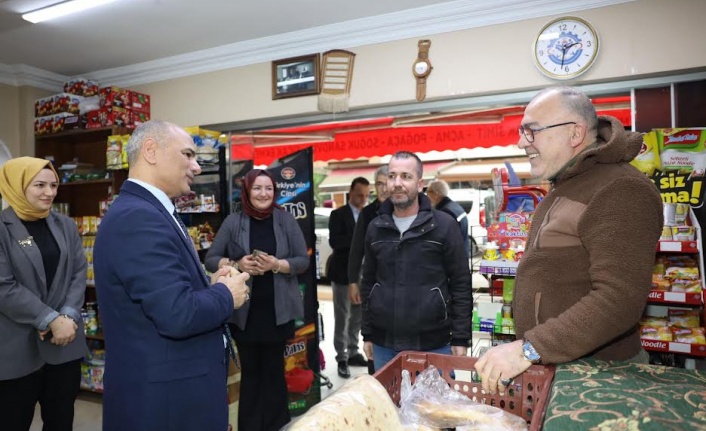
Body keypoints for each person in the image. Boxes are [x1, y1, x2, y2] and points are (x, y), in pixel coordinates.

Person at [475, 86, 663, 396]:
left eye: (531, 131)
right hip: (564, 370)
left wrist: (528, 350)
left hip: (599, 380)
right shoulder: (568, 183)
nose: (522, 142)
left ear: (575, 133)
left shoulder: (621, 189)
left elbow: (619, 299)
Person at [94, 120, 251, 431]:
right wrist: (226, 294)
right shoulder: (138, 218)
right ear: (151, 151)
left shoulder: (149, 211)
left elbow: (164, 292)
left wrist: (210, 285)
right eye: (188, 154)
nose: (195, 166)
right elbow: (177, 313)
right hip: (165, 404)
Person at [205, 168, 309, 431]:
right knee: (250, 376)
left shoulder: (285, 221)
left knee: (274, 374)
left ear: (274, 192)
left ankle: (277, 426)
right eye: (257, 188)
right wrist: (236, 262)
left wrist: (277, 264)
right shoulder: (233, 222)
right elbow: (211, 258)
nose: (263, 193)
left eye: (269, 188)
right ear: (247, 192)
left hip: (278, 313)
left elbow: (302, 260)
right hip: (245, 314)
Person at [360, 151, 472, 371]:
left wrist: (460, 338)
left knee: (433, 407)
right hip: (384, 344)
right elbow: (368, 283)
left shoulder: (444, 226)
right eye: (392, 176)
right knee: (389, 406)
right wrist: (368, 333)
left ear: (420, 184)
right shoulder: (375, 227)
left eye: (406, 176)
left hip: (434, 345)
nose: (397, 183)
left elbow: (460, 283)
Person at [0, 157, 87, 431]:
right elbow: (4, 285)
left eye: (53, 185)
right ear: (16, 186)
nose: (49, 192)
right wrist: (49, 319)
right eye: (39, 185)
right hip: (15, 350)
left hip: (64, 344)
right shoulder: (3, 229)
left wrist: (68, 316)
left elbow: (78, 272)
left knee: (61, 422)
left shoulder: (66, 225)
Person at [328, 177, 370, 378]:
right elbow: (335, 241)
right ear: (350, 192)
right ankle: (341, 357)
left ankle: (353, 351)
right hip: (343, 274)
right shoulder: (338, 214)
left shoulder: (370, 214)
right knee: (342, 316)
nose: (363, 199)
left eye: (366, 195)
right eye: (360, 194)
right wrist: (359, 240)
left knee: (358, 316)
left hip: (364, 274)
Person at [426, 179, 471, 259]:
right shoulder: (456, 207)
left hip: (453, 261)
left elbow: (444, 241)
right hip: (461, 256)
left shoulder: (445, 212)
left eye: (428, 192)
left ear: (436, 194)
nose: (427, 196)